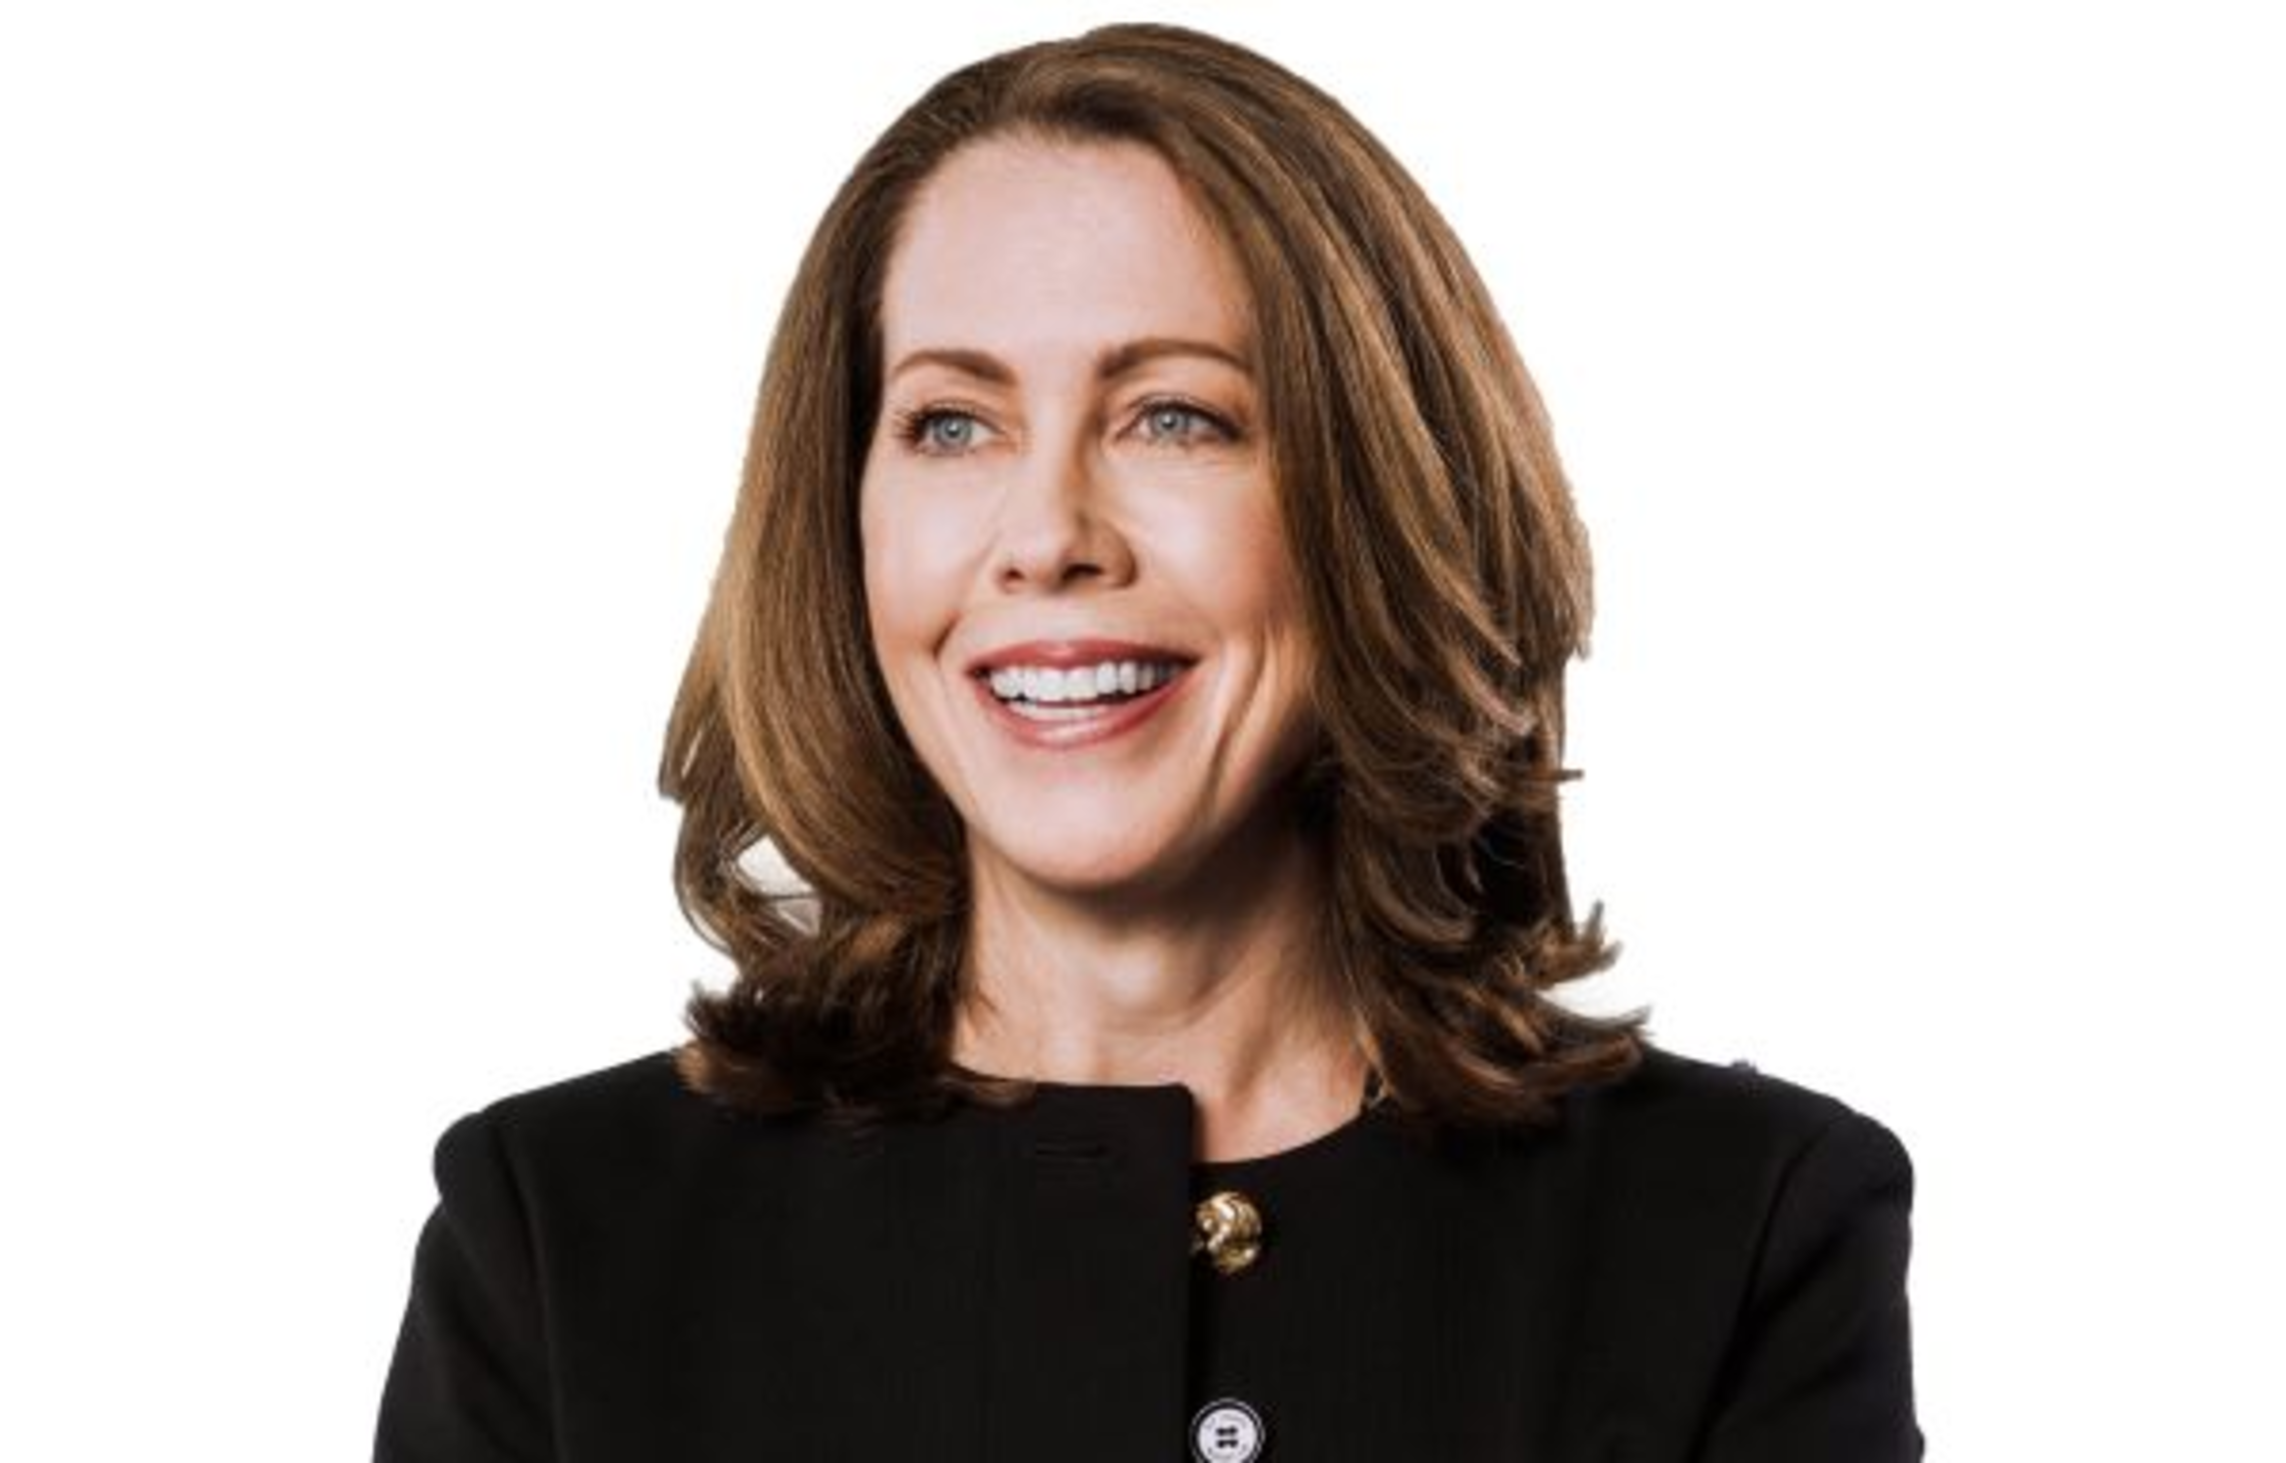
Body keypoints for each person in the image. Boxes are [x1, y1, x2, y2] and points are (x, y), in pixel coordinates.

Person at [375, 22, 1919, 1462]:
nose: (1046, 534)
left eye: (1175, 416)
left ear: (1383, 499)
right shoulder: (560, 1239)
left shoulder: (1737, 1231)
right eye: (952, 424)